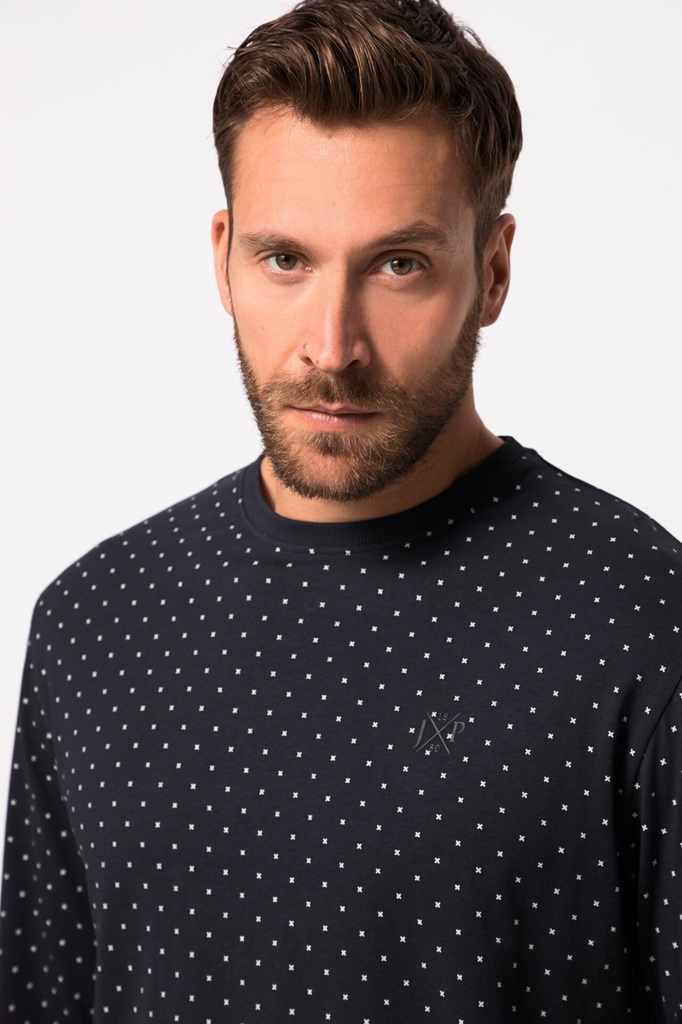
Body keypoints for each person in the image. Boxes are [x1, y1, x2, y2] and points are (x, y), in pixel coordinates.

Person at [1, 0, 680, 1019]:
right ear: (224, 257)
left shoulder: (640, 620)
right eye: (285, 259)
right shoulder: (95, 623)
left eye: (398, 264)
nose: (331, 345)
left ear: (493, 271)